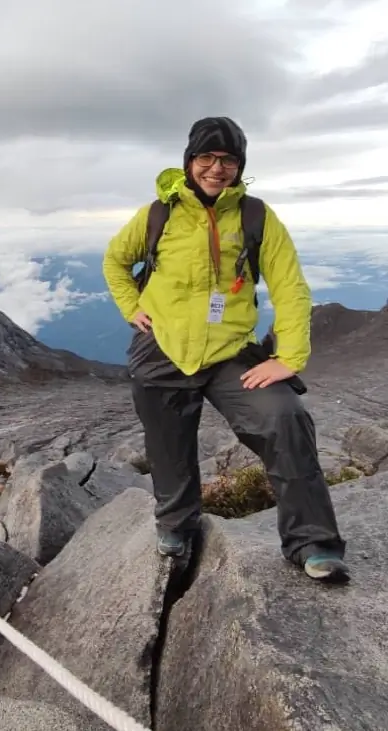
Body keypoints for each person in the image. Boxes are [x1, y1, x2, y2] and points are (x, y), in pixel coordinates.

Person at [102, 116, 348, 583]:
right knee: (168, 447)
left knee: (284, 417)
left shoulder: (256, 216)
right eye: (207, 158)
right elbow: (116, 259)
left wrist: (288, 358)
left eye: (228, 159)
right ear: (190, 161)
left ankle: (313, 542)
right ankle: (176, 526)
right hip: (162, 348)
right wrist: (131, 306)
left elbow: (290, 286)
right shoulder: (159, 212)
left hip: (232, 351)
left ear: (240, 165)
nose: (217, 168)